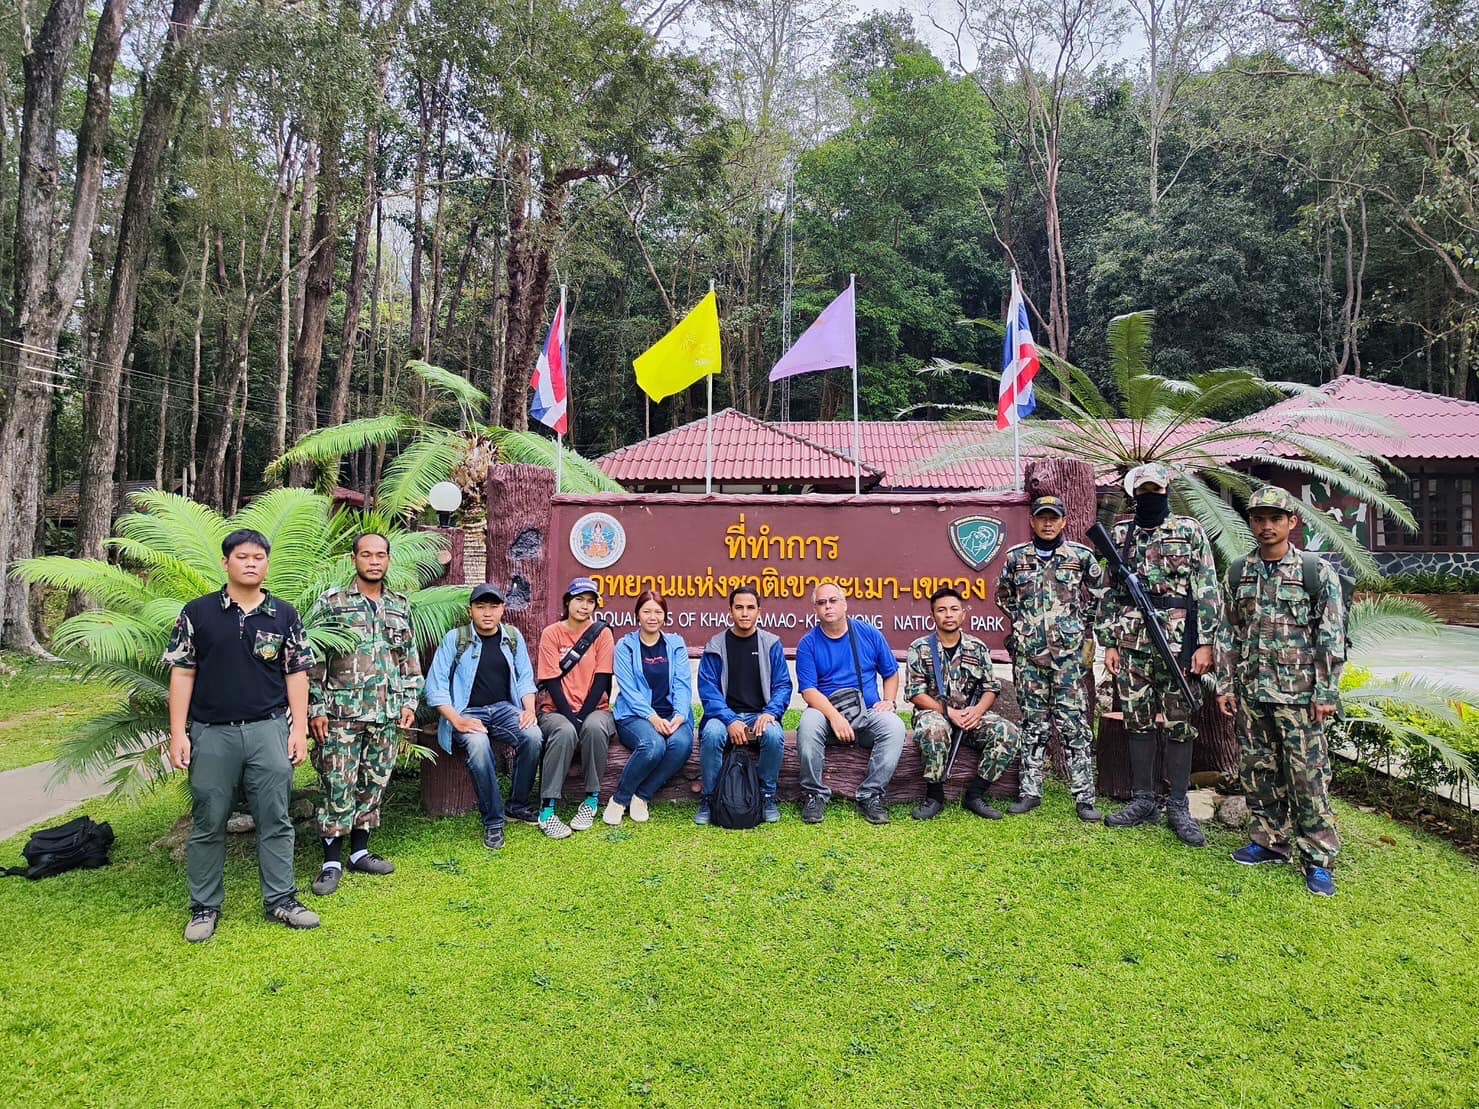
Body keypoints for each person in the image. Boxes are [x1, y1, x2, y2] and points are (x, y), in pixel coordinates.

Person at [163, 529, 319, 942]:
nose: (251, 563)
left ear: (267, 564)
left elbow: (296, 673)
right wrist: (178, 732)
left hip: (268, 729)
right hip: (212, 735)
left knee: (276, 818)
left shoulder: (284, 614)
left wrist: (298, 728)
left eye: (259, 557)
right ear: (226, 563)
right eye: (243, 557)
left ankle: (282, 900)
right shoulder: (197, 613)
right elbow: (182, 672)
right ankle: (204, 907)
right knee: (209, 819)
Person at [1216, 486, 1345, 897]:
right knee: (1260, 773)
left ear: (1293, 522)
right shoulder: (1239, 572)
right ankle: (1269, 842)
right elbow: (1228, 632)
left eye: (1275, 518)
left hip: (1301, 698)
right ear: (1250, 523)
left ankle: (1319, 857)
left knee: (1308, 779)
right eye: (1258, 518)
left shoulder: (1315, 572)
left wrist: (1327, 692)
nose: (1266, 526)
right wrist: (1225, 684)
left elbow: (1332, 636)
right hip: (1253, 695)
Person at [1097, 462, 1223, 846]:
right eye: (1143, 492)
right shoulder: (1121, 533)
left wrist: (1205, 643)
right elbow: (1110, 592)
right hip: (1133, 643)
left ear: (1166, 490)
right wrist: (1110, 643)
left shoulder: (1188, 531)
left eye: (1156, 490)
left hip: (1178, 642)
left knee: (1181, 720)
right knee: (1136, 719)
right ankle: (1143, 800)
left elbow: (1206, 589)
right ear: (1134, 495)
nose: (1150, 497)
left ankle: (1178, 805)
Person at [305, 533, 423, 896]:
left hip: (385, 713)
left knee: (373, 783)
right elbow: (314, 660)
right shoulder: (333, 603)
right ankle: (331, 862)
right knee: (337, 784)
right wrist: (316, 707)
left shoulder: (400, 606)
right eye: (367, 555)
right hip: (341, 712)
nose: (374, 561)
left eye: (381, 555)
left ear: (389, 560)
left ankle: (359, 852)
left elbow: (409, 659)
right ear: (354, 559)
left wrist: (408, 702)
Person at [995, 495, 1108, 822]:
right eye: (1041, 517)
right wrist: (1023, 624)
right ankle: (1030, 792)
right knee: (1033, 723)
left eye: (1053, 518)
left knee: (1074, 725)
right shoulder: (1017, 558)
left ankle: (1085, 797)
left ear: (1063, 520)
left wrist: (1080, 624)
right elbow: (1002, 595)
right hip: (1030, 658)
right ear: (1032, 520)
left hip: (1068, 660)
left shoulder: (1080, 557)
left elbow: (1102, 593)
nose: (1047, 523)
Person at [425, 583, 544, 850]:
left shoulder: (512, 637)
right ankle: (493, 820)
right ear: (471, 611)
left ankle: (517, 804)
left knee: (533, 736)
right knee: (478, 746)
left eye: (493, 607)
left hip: (504, 709)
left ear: (503, 609)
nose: (487, 613)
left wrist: (529, 710)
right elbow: (435, 687)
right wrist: (456, 720)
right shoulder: (456, 639)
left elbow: (525, 678)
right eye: (480, 607)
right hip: (466, 711)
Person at [905, 587, 1024, 821]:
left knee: (1008, 732)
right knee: (934, 730)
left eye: (953, 609)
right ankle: (934, 796)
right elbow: (916, 693)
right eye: (941, 610)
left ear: (963, 614)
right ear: (933, 615)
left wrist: (978, 711)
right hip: (934, 712)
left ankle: (976, 794)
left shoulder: (977, 648)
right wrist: (949, 713)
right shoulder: (920, 648)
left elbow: (991, 688)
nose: (948, 615)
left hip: (971, 715)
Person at [795, 581, 906, 825]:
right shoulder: (808, 643)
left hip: (867, 713)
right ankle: (814, 795)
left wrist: (889, 701)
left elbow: (891, 672)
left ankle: (871, 795)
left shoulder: (869, 634)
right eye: (821, 603)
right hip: (826, 715)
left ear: (845, 604)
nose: (828, 607)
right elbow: (809, 691)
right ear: (815, 609)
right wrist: (835, 717)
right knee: (808, 722)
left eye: (833, 601)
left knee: (895, 727)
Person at [695, 585, 792, 826]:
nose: (745, 613)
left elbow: (783, 685)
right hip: (723, 716)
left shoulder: (771, 644)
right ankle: (710, 797)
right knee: (712, 733)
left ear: (759, 611)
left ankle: (766, 796)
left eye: (750, 607)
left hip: (759, 714)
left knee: (773, 734)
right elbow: (708, 691)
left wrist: (770, 713)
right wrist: (730, 720)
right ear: (730, 611)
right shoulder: (716, 645)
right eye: (739, 607)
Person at [535, 577, 616, 838]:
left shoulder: (602, 633)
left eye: (590, 601)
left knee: (593, 728)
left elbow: (602, 678)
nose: (584, 606)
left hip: (595, 708)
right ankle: (548, 808)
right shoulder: (552, 633)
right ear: (567, 601)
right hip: (556, 711)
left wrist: (582, 717)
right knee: (565, 731)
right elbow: (551, 680)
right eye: (579, 600)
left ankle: (591, 799)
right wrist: (571, 718)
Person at [607, 591, 695, 825]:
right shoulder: (625, 646)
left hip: (672, 713)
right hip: (635, 715)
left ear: (665, 616)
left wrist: (679, 715)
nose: (652, 617)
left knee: (681, 743)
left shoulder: (675, 644)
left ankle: (642, 795)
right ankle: (619, 799)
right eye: (647, 611)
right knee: (653, 745)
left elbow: (683, 683)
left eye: (658, 612)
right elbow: (629, 689)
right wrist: (652, 718)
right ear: (637, 615)